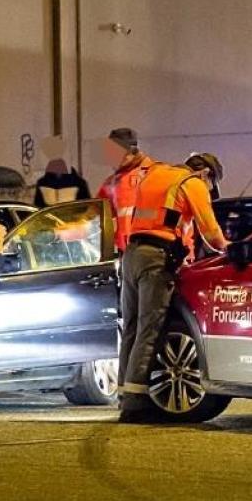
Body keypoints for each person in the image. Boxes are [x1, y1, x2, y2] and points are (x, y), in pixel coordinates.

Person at [98, 127, 232, 420]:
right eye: (211, 185)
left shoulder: (156, 175)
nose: (209, 191)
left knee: (132, 327)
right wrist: (230, 250)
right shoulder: (192, 183)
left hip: (131, 255)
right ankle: (136, 405)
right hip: (157, 260)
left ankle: (124, 394)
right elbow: (211, 233)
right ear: (207, 174)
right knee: (150, 327)